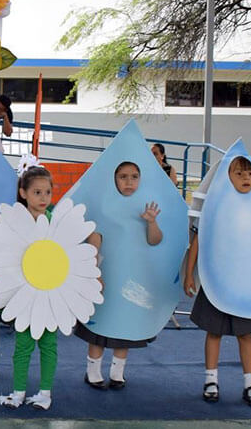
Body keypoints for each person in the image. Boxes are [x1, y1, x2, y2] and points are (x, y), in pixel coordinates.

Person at [184, 157, 251, 408]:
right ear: (225, 178)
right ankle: (211, 380)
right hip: (216, 281)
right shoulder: (214, 207)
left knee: (246, 335)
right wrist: (190, 274)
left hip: (244, 285)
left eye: (249, 173)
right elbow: (197, 241)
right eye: (239, 173)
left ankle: (250, 384)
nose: (245, 178)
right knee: (214, 331)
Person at [0, 166, 82, 410]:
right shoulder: (15, 223)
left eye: (47, 192)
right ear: (23, 193)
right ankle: (19, 392)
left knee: (48, 345)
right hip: (25, 296)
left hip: (52, 295)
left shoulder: (57, 223)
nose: (43, 198)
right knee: (22, 346)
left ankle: (45, 394)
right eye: (37, 192)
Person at [75, 162, 162, 390]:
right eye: (123, 176)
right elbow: (94, 242)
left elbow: (155, 240)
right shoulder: (104, 207)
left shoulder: (146, 208)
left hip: (131, 280)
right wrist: (94, 273)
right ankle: (92, 371)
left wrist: (151, 222)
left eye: (134, 176)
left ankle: (117, 371)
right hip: (107, 277)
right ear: (114, 179)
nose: (129, 182)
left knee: (124, 325)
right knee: (100, 325)